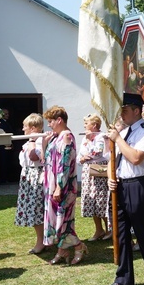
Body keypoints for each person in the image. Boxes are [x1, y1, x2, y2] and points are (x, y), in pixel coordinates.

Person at [102, 93, 144, 285]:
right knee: (120, 233)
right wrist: (111, 176)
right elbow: (115, 157)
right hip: (121, 185)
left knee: (142, 232)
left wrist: (118, 138)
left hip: (139, 185)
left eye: (125, 110)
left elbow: (136, 157)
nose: (121, 114)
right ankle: (124, 279)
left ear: (137, 110)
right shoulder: (127, 132)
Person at [42, 106, 87, 265]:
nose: (49, 125)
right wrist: (45, 143)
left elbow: (64, 165)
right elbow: (45, 160)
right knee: (56, 220)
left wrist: (60, 187)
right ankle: (62, 250)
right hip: (53, 185)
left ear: (59, 120)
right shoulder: (55, 137)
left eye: (50, 121)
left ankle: (78, 246)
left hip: (64, 186)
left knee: (64, 220)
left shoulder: (66, 137)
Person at [16, 113, 46, 254]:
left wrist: (33, 141)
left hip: (37, 176)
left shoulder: (40, 141)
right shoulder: (28, 142)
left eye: (25, 126)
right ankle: (43, 239)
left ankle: (41, 242)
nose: (23, 129)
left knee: (37, 209)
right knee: (33, 209)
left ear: (33, 128)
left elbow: (33, 156)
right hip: (28, 175)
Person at [78, 114, 111, 242]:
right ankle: (99, 229)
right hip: (87, 169)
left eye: (87, 124)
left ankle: (109, 229)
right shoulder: (86, 138)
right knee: (91, 199)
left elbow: (98, 152)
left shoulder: (101, 137)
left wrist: (90, 142)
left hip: (99, 167)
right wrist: (81, 158)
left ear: (94, 125)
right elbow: (81, 154)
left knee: (101, 197)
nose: (85, 126)